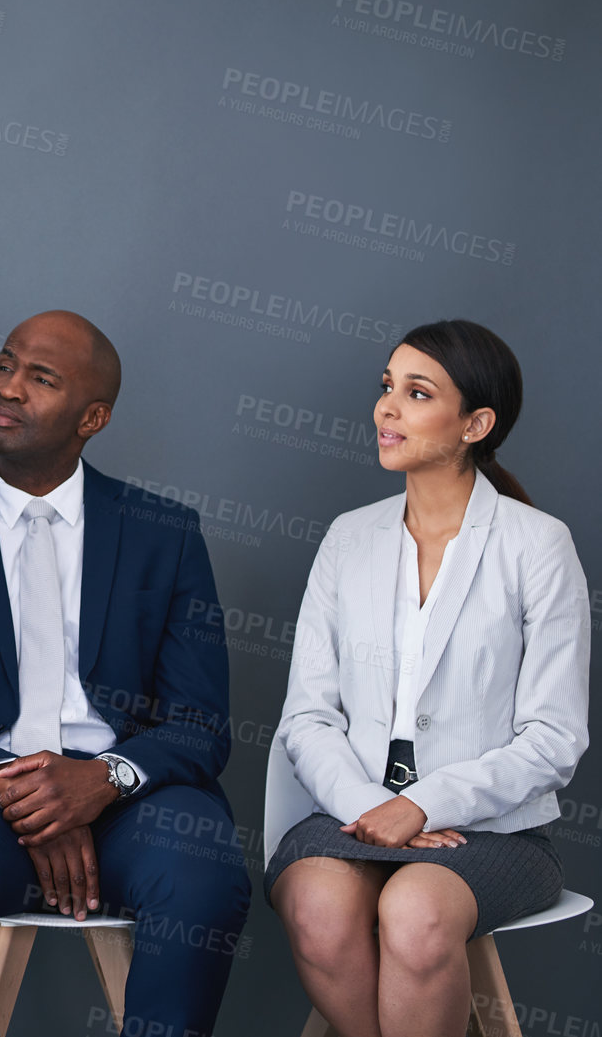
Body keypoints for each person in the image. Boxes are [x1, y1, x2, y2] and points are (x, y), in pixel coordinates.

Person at [0, 311, 250, 1037]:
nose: (6, 388)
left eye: (39, 378)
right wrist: (28, 792)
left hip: (132, 795)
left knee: (204, 878)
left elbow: (199, 726)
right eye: (5, 364)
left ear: (92, 416)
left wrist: (101, 779)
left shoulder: (163, 535)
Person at [268, 320, 589, 1037]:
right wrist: (366, 806)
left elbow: (554, 738)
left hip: (492, 832)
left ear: (476, 422)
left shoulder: (537, 546)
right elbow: (307, 717)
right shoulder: (348, 537)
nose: (386, 407)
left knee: (412, 914)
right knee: (317, 908)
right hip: (350, 816)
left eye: (416, 392)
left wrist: (423, 804)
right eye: (387, 387)